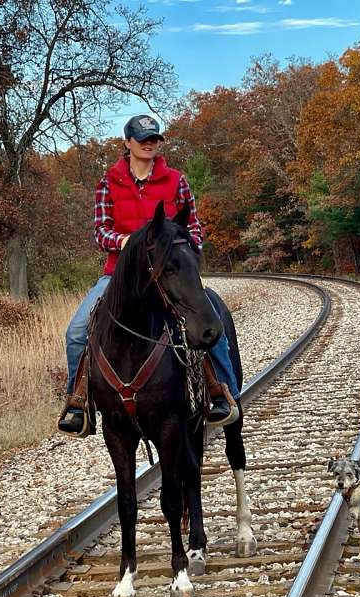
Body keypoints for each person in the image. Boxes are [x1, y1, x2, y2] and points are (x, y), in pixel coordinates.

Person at [57, 114, 240, 436]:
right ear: (127, 144)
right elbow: (101, 233)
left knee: (212, 321)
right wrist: (127, 242)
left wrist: (186, 249)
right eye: (142, 139)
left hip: (170, 274)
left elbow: (193, 225)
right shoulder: (108, 183)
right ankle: (78, 402)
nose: (149, 144)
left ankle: (222, 393)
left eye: (154, 139)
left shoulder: (176, 181)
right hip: (119, 276)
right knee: (77, 331)